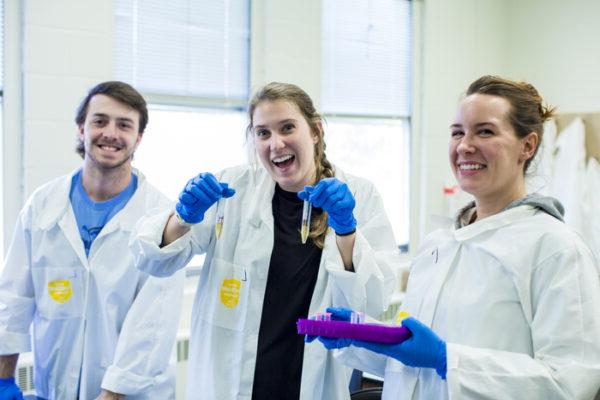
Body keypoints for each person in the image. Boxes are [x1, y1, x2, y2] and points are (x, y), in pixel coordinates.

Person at [313, 75, 600, 399]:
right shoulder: (440, 245)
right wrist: (364, 336)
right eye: (457, 132)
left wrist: (449, 360)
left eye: (485, 131)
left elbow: (570, 383)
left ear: (527, 145)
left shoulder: (556, 249)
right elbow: (412, 363)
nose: (465, 145)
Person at [131, 82, 400, 400]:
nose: (276, 143)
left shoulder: (359, 195)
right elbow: (151, 260)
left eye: (287, 127)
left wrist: (346, 231)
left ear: (315, 131)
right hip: (230, 384)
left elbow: (374, 300)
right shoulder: (231, 190)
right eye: (263, 133)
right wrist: (182, 216)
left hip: (311, 382)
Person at [0, 81, 185, 400]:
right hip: (54, 388)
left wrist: (111, 396)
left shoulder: (162, 218)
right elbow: (14, 296)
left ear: (138, 138)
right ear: (81, 129)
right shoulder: (42, 206)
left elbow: (151, 327)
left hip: (130, 394)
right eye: (99, 121)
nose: (110, 133)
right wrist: (3, 378)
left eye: (124, 125)